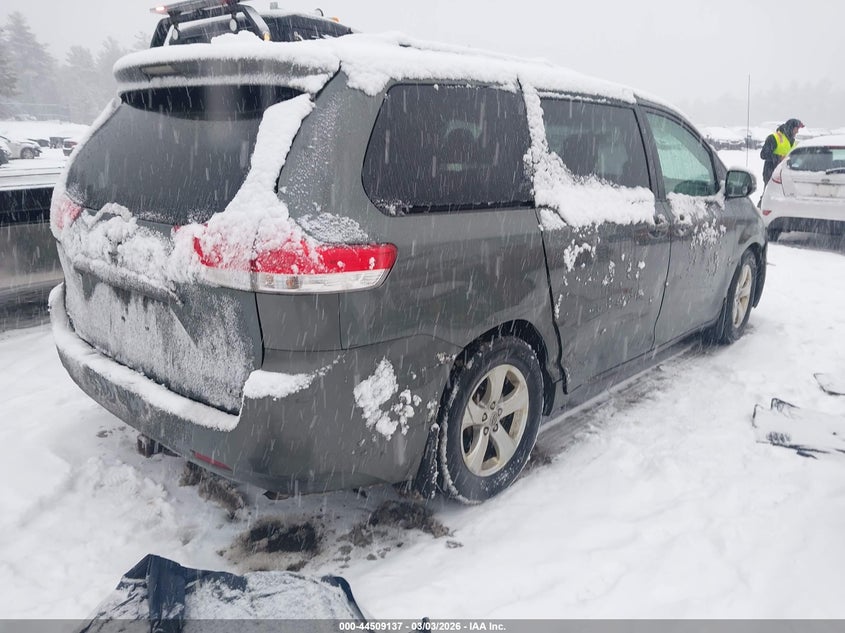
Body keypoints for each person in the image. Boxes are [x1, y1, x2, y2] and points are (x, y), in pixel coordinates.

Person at [760, 118, 804, 186]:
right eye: (796, 129)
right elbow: (763, 154)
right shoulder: (773, 138)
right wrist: (779, 157)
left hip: (786, 176)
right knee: (770, 196)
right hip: (771, 175)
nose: (797, 132)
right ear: (791, 128)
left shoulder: (793, 142)